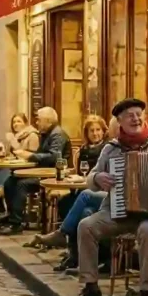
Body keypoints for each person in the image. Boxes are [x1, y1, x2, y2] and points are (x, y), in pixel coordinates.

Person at [70, 98, 148, 296]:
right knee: (86, 226)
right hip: (118, 211)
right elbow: (90, 178)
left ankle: (146, 292)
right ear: (120, 122)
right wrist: (99, 178)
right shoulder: (111, 148)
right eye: (130, 115)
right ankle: (91, 287)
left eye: (138, 114)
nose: (135, 118)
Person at [32, 115, 110, 269]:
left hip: (99, 193)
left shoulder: (107, 150)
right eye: (91, 131)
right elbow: (82, 171)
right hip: (85, 190)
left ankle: (63, 237)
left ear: (104, 131)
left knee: (83, 202)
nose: (95, 134)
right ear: (86, 133)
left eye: (98, 130)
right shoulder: (84, 149)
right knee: (77, 207)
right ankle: (76, 255)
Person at [0, 107, 71, 235]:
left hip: (54, 175)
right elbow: (42, 154)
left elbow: (53, 157)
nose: (37, 122)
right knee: (10, 181)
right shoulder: (46, 134)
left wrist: (29, 156)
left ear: (48, 120)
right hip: (43, 171)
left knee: (21, 185)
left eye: (39, 120)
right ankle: (12, 215)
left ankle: (16, 224)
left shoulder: (57, 134)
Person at [0, 113, 40, 218]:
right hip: (16, 166)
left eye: (19, 121)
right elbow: (11, 155)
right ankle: (1, 205)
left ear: (25, 123)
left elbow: (30, 155)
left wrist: (13, 141)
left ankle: (0, 201)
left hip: (28, 168)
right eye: (14, 122)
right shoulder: (17, 136)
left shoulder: (32, 135)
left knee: (5, 174)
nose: (15, 124)